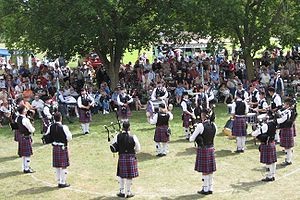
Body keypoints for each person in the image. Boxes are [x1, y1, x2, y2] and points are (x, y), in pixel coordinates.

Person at [189, 109, 217, 195]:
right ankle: (210, 188)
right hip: (211, 148)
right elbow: (213, 136)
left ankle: (205, 189)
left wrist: (196, 133)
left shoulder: (200, 126)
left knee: (205, 170)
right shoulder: (214, 125)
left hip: (203, 148)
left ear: (202, 115)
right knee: (210, 170)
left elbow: (191, 139)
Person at [110, 121, 140, 198]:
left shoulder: (118, 136)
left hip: (122, 156)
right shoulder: (133, 136)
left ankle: (122, 191)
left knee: (121, 174)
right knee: (129, 176)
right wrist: (134, 152)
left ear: (122, 127)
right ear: (129, 127)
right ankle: (128, 192)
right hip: (131, 157)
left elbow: (113, 146)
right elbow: (138, 148)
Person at [45, 112, 72, 188]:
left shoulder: (50, 127)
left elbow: (47, 135)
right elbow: (69, 137)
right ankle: (62, 182)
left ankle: (59, 180)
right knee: (64, 165)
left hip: (55, 147)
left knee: (57, 166)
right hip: (62, 147)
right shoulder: (64, 127)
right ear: (61, 118)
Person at [252, 117, 277, 181]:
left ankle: (269, 176)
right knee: (273, 161)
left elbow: (254, 134)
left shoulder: (265, 126)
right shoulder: (273, 124)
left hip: (266, 144)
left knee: (268, 162)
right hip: (272, 143)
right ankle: (273, 175)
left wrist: (255, 129)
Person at [16, 105, 36, 173]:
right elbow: (31, 130)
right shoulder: (25, 119)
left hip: (21, 136)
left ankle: (24, 167)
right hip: (26, 137)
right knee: (27, 154)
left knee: (24, 154)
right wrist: (33, 127)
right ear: (24, 111)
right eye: (25, 109)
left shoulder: (18, 118)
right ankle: (26, 168)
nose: (27, 110)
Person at [276, 98, 295, 165]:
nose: (284, 105)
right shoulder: (288, 110)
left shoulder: (289, 111)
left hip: (287, 129)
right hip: (286, 129)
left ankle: (288, 160)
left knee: (288, 147)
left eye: (285, 103)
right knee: (287, 147)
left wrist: (275, 121)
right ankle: (288, 159)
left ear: (287, 104)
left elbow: (282, 119)